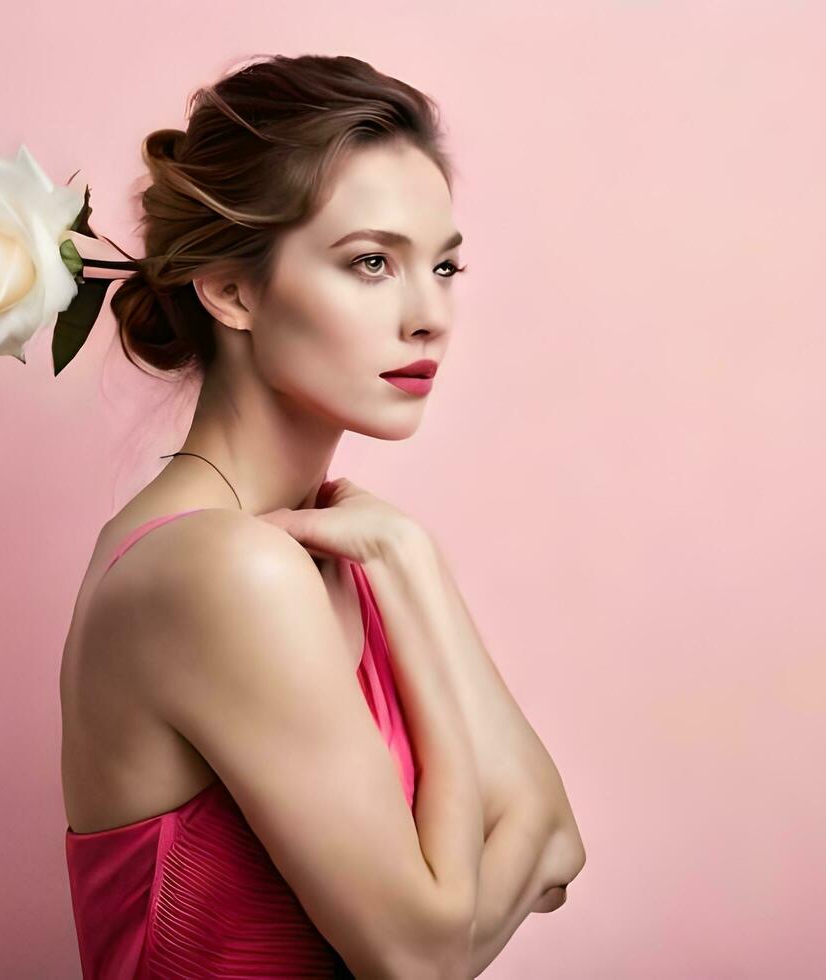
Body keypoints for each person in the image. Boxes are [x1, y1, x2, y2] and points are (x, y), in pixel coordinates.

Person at [58, 54, 585, 978]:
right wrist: (414, 581)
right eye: (372, 263)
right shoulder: (218, 570)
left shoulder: (342, 543)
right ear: (231, 291)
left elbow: (556, 844)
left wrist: (413, 564)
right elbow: (421, 956)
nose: (431, 316)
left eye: (445, 265)